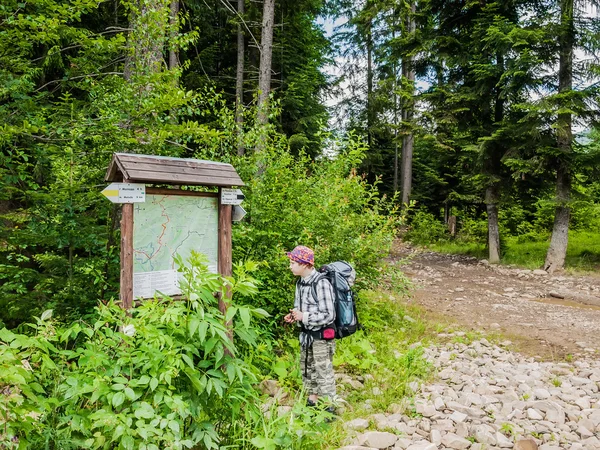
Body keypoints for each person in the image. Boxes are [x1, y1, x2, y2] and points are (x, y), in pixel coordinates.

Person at [284, 245, 337, 410]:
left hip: (321, 336)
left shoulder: (321, 283)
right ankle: (312, 402)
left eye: (293, 263)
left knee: (323, 371)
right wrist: (294, 316)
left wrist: (304, 316)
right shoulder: (300, 282)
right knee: (307, 368)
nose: (290, 266)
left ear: (305, 264)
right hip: (306, 335)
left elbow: (329, 314)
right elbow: (300, 308)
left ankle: (330, 406)